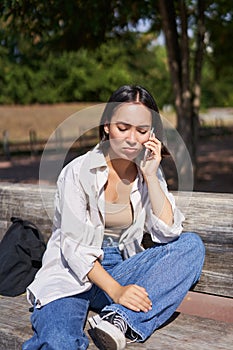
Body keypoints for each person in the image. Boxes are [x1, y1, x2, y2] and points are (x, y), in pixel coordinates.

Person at [22, 85, 205, 350]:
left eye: (142, 131)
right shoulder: (77, 172)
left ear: (151, 133)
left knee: (191, 246)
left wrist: (152, 176)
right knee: (59, 341)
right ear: (107, 125)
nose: (132, 139)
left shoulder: (147, 170)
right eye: (123, 128)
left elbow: (168, 233)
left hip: (122, 267)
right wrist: (117, 291)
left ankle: (119, 321)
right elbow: (74, 250)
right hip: (72, 274)